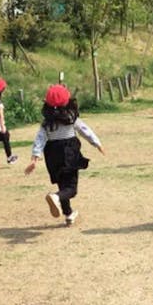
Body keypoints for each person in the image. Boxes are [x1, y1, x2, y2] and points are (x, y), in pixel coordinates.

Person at [24, 85, 104, 226]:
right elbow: (85, 131)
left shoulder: (47, 123)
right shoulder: (71, 119)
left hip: (52, 155)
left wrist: (35, 157)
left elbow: (40, 139)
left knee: (63, 185)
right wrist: (96, 143)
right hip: (69, 154)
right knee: (71, 189)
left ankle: (68, 213)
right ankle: (55, 197)